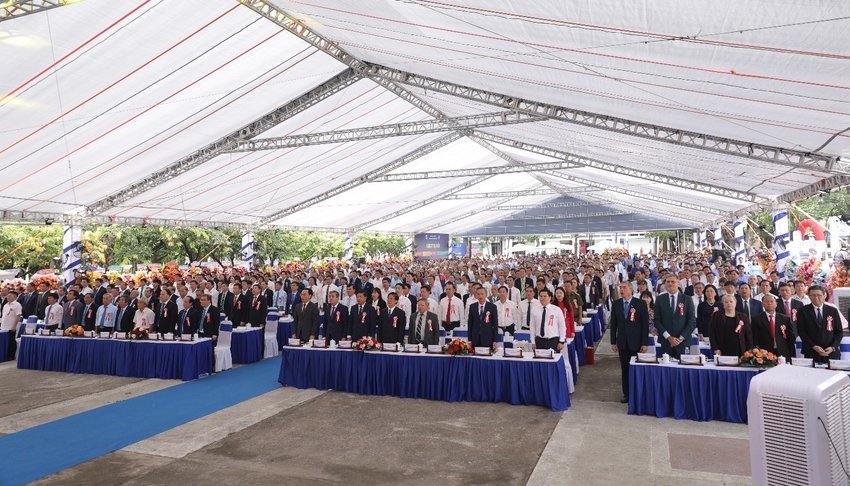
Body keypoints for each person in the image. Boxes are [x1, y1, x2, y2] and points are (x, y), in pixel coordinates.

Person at [610, 282, 649, 403]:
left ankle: (639, 392)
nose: (621, 290)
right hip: (622, 342)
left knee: (637, 368)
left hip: (636, 342)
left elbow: (645, 325)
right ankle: (626, 393)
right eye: (620, 288)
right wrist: (613, 342)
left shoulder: (640, 304)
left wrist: (644, 343)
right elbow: (613, 324)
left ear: (631, 290)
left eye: (624, 288)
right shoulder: (616, 304)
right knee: (625, 368)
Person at [654, 274, 696, 358]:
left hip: (683, 341)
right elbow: (657, 320)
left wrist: (681, 338)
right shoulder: (659, 299)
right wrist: (668, 337)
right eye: (668, 282)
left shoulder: (687, 299)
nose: (670, 284)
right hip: (666, 341)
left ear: (678, 283)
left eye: (673, 282)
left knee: (682, 365)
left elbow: (692, 320)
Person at [797, 285, 843, 363]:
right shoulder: (803, 311)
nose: (816, 297)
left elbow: (839, 331)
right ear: (809, 296)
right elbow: (801, 331)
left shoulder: (833, 310)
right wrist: (813, 346)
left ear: (824, 296)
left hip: (830, 352)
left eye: (819, 295)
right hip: (811, 351)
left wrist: (833, 347)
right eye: (813, 295)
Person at [751, 294, 795, 360]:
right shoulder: (756, 319)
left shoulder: (785, 319)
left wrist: (792, 355)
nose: (769, 303)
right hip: (764, 353)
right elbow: (755, 338)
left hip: (782, 352)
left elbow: (790, 338)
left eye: (771, 301)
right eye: (767, 301)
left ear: (776, 304)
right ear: (762, 304)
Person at [530, 288, 566, 353]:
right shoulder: (534, 310)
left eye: (545, 296)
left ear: (550, 298)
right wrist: (533, 342)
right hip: (539, 341)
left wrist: (561, 341)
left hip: (552, 341)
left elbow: (562, 326)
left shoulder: (556, 310)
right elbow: (532, 327)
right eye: (541, 296)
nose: (542, 298)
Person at [468, 287, 499, 351]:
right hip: (475, 339)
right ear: (476, 295)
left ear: (486, 295)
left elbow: (495, 325)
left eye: (482, 294)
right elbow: (470, 324)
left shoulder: (492, 307)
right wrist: (469, 340)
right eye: (478, 294)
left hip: (488, 338)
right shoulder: (472, 307)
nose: (480, 296)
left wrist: (495, 340)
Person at [2, 291, 22, 358]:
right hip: (4, 326)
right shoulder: (6, 305)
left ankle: (11, 356)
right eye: (8, 295)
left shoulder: (17, 305)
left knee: (11, 341)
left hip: (11, 326)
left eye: (10, 296)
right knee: (5, 341)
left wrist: (14, 326)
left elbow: (18, 315)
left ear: (15, 297)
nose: (8, 297)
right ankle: (5, 355)